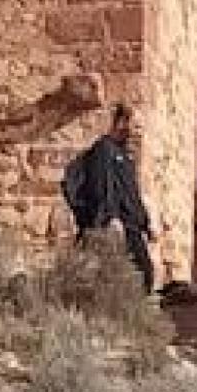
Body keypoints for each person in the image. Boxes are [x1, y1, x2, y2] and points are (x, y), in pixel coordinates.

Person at [68, 103, 156, 292]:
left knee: (145, 276)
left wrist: (146, 225)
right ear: (121, 122)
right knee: (112, 277)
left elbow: (132, 194)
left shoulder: (126, 157)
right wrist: (109, 218)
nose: (137, 131)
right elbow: (101, 186)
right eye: (135, 125)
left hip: (131, 227)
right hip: (114, 226)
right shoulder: (104, 149)